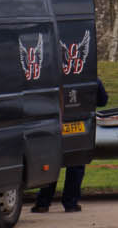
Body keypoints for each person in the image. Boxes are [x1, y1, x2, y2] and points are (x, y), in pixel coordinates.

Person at [33, 76, 107, 214]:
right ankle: (71, 203)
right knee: (76, 164)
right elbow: (103, 101)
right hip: (79, 125)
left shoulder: (51, 78)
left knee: (51, 164)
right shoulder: (90, 78)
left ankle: (43, 203)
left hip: (56, 125)